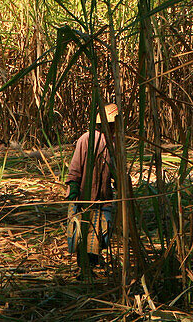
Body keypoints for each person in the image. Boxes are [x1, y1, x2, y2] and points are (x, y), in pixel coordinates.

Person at [65, 103, 117, 271]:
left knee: (103, 231)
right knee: (82, 233)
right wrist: (73, 189)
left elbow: (115, 169)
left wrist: (120, 181)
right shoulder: (87, 139)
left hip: (104, 198)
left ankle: (92, 263)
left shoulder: (114, 143)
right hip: (84, 197)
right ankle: (85, 268)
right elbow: (75, 166)